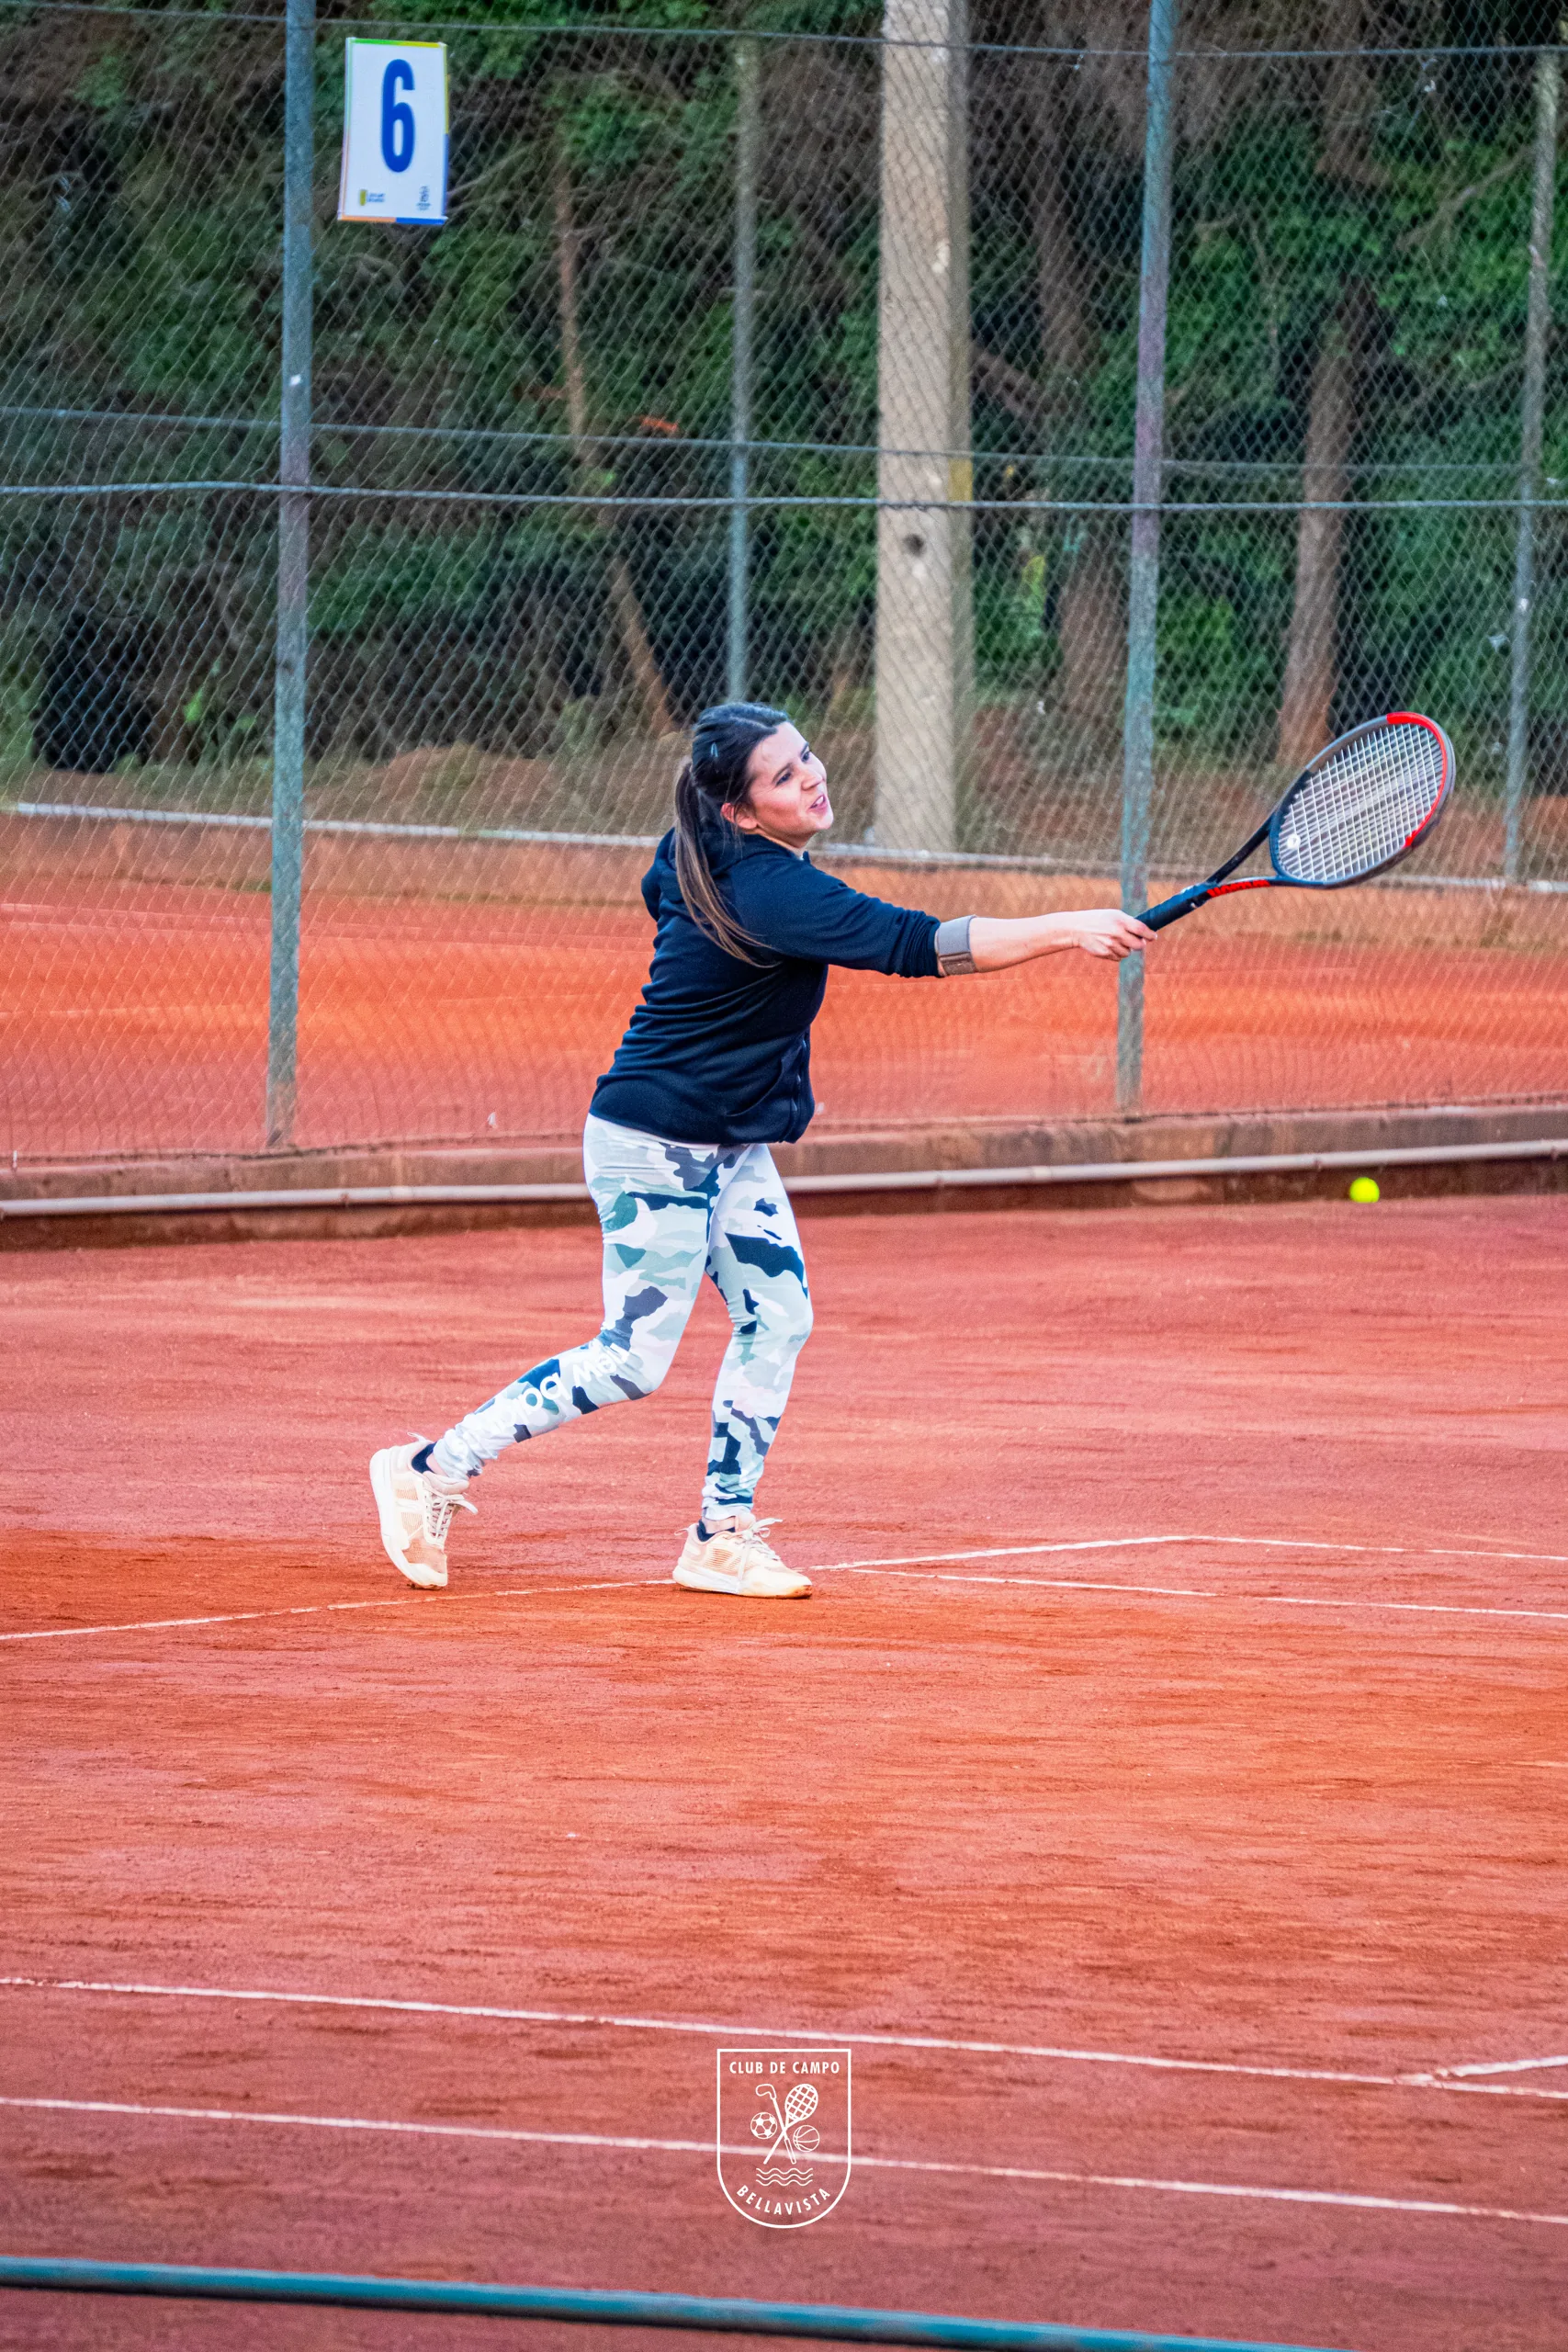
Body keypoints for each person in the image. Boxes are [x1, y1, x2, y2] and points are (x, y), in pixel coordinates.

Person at [370, 702, 1153, 1601]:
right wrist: (1070, 926)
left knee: (777, 1317)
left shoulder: (697, 851)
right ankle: (431, 1465)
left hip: (730, 1145)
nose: (813, 775)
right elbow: (921, 945)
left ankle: (719, 1533)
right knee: (630, 1359)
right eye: (784, 776)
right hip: (654, 1146)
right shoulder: (772, 890)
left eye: (807, 756)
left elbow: (660, 889)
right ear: (738, 810)